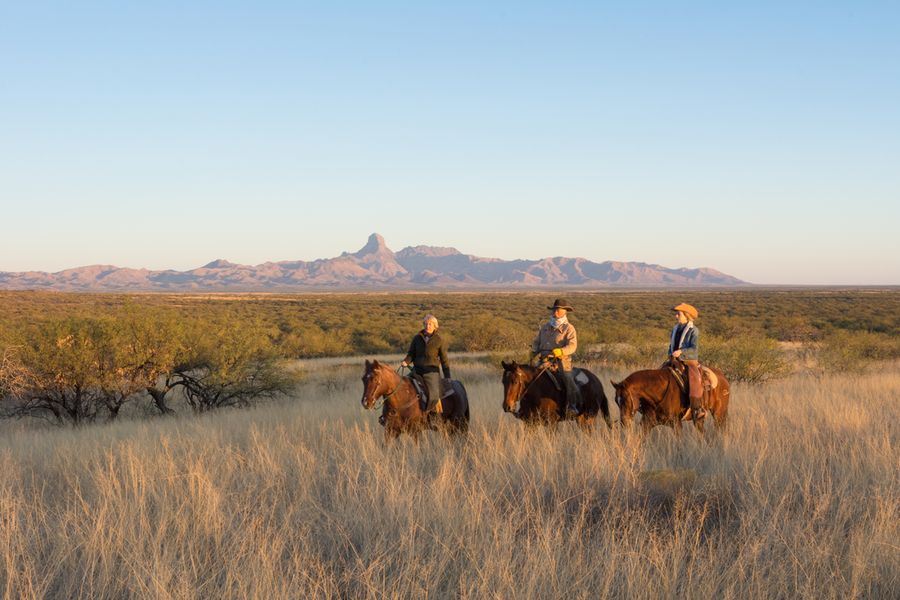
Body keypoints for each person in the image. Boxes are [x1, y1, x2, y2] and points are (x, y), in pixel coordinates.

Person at [531, 298, 581, 418]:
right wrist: (534, 351)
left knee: (568, 380)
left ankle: (572, 406)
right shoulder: (545, 327)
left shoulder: (569, 328)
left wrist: (560, 351)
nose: (555, 312)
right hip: (542, 361)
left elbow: (572, 346)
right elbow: (536, 342)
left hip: (561, 363)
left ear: (565, 312)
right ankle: (526, 407)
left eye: (558, 310)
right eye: (554, 310)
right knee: (525, 377)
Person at [401, 314, 451, 417]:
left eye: (430, 324)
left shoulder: (438, 340)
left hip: (431, 371)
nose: (427, 326)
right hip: (417, 371)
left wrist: (447, 376)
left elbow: (444, 359)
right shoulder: (417, 338)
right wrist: (406, 361)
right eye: (426, 324)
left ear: (435, 326)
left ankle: (430, 416)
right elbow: (411, 354)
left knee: (433, 396)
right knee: (401, 386)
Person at [669, 303, 705, 419]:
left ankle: (697, 408)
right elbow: (671, 345)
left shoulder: (694, 330)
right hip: (674, 360)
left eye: (678, 314)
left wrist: (681, 352)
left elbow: (694, 349)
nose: (676, 316)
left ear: (686, 315)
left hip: (689, 361)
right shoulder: (675, 329)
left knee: (694, 378)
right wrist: (671, 353)